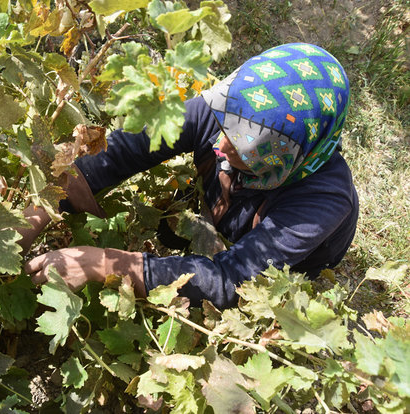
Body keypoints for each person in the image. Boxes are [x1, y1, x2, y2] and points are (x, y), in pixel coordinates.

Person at [20, 43, 359, 310]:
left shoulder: (322, 201)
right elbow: (127, 149)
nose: (220, 143)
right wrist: (46, 199)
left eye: (244, 148)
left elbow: (235, 278)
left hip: (286, 266)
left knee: (235, 297)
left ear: (284, 159)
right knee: (174, 235)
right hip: (226, 205)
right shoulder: (236, 108)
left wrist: (114, 265)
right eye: (225, 125)